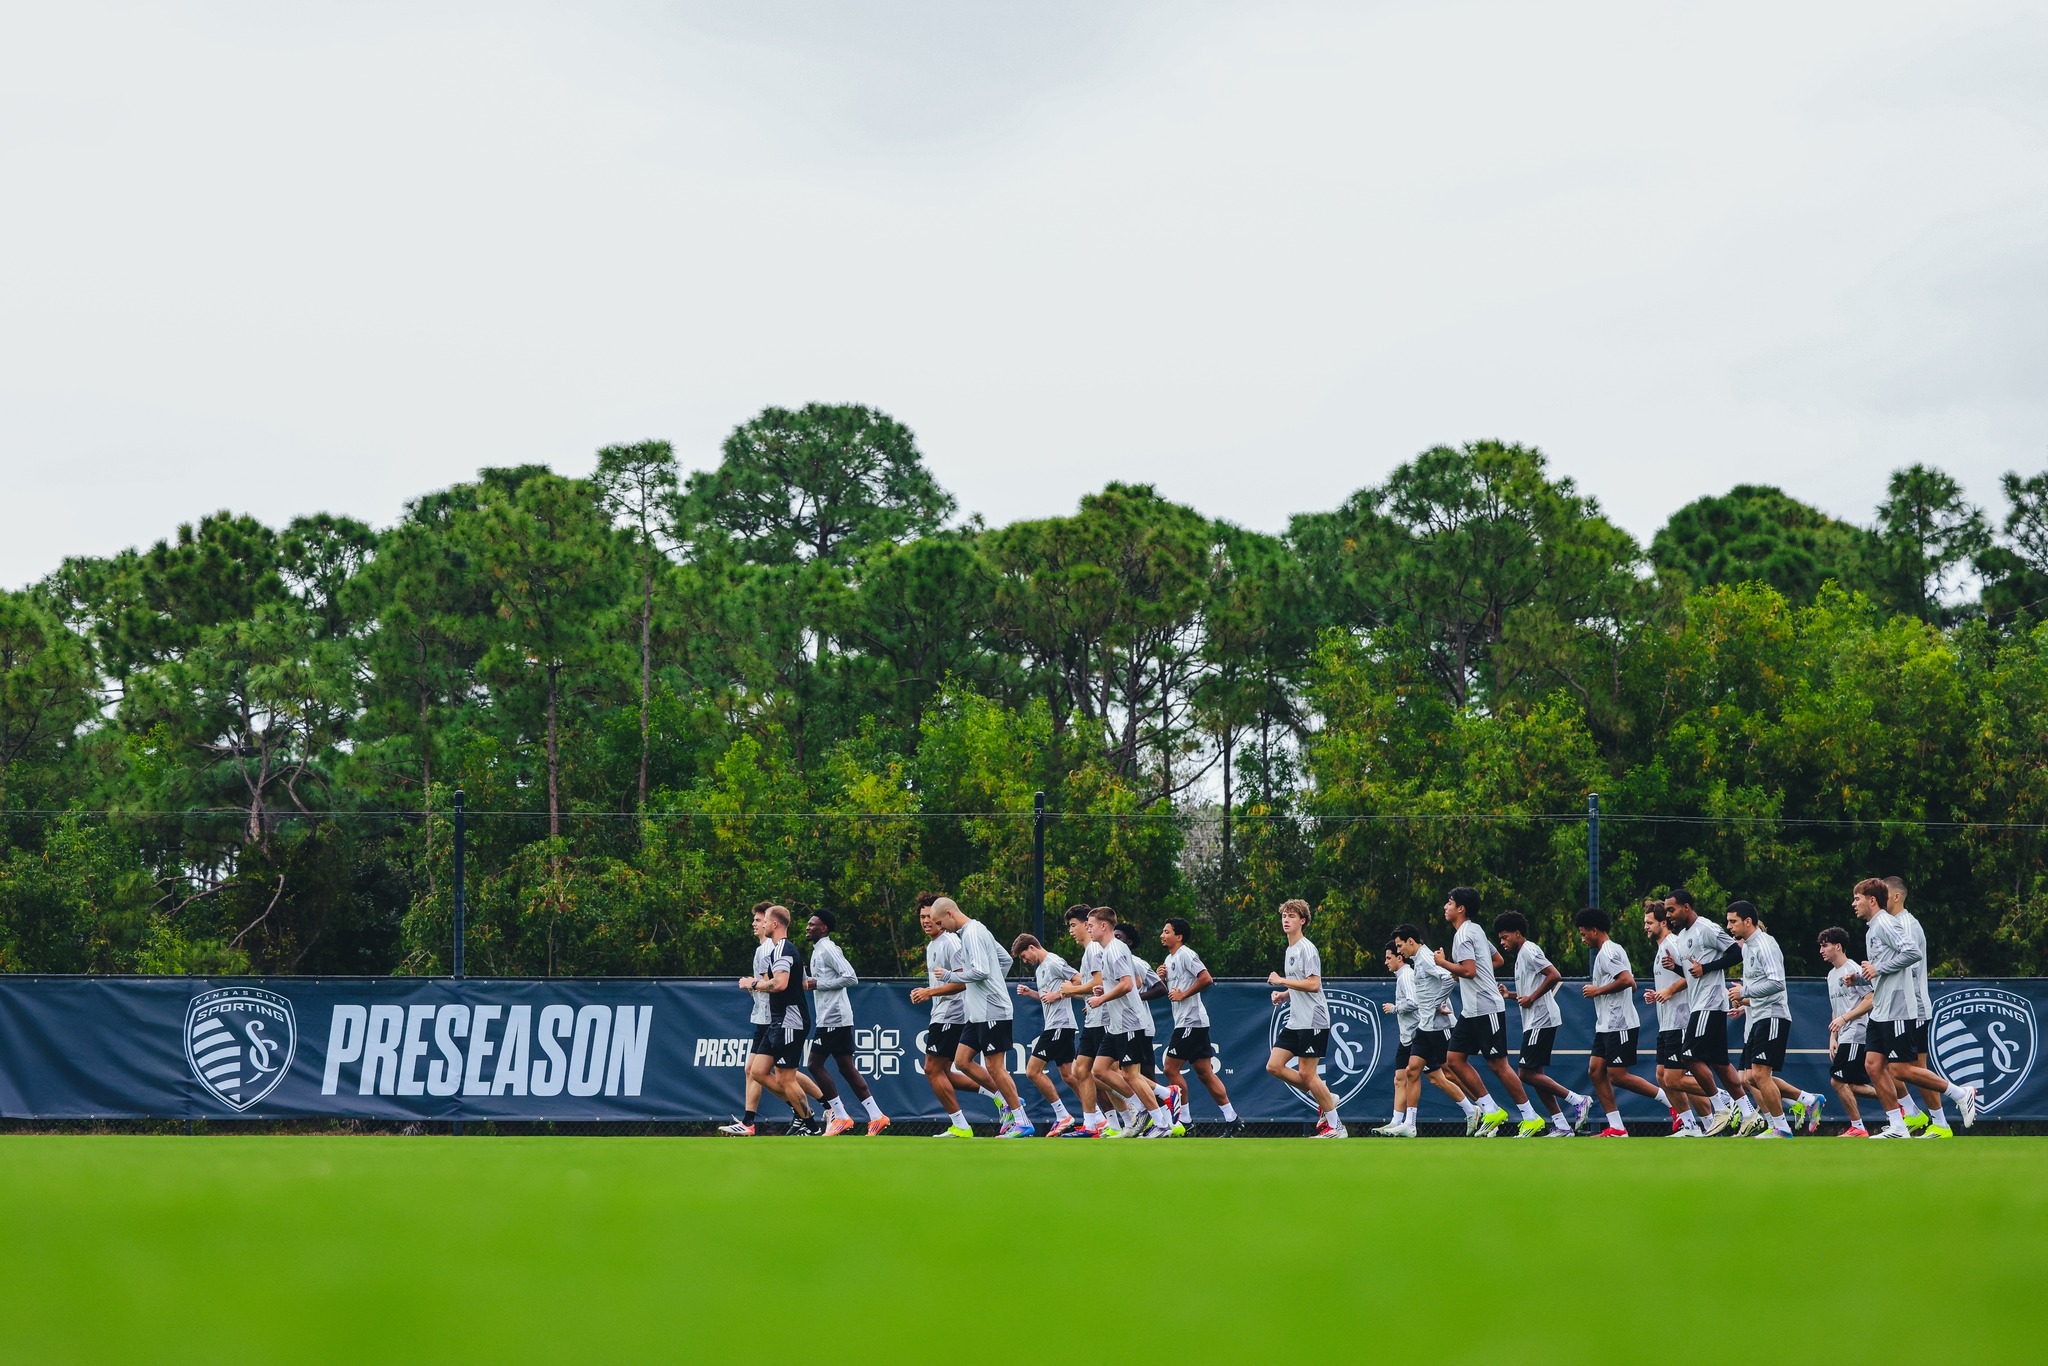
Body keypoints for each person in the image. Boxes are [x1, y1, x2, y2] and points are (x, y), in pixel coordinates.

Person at [1853, 878, 1978, 1138]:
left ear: (1873, 900)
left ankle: (1959, 1093)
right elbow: (1885, 966)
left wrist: (1878, 969)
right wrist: (1864, 975)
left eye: (1857, 898)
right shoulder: (1874, 927)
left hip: (1901, 1007)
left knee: (1901, 1069)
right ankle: (1899, 1125)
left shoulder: (1891, 922)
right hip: (1882, 1007)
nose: (1853, 904)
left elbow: (1911, 953)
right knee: (1874, 1065)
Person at [1435, 887, 1538, 1137]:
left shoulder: (1463, 936)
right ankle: (1491, 1109)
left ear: (1461, 908)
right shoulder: (1476, 929)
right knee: (1454, 1059)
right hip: (1471, 1010)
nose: (1445, 907)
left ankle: (1531, 1117)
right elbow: (1496, 961)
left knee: (1498, 1065)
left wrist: (1444, 963)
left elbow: (1469, 970)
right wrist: (1463, 972)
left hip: (1486, 1007)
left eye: (1449, 902)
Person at [932, 895, 1033, 1137]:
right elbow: (1004, 960)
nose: (940, 928)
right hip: (978, 1011)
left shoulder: (973, 932)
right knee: (962, 1061)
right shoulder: (971, 932)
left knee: (995, 1068)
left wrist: (949, 976)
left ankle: (1022, 1121)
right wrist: (994, 982)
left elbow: (980, 971)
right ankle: (1008, 1102)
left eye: (939, 922)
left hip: (992, 1009)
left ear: (949, 914)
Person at [1494, 911, 1593, 1135]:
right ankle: (1561, 1125)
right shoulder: (1521, 956)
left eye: (1505, 937)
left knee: (1526, 1074)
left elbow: (1554, 974)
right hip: (1533, 1021)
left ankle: (1577, 1100)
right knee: (1536, 1076)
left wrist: (1532, 998)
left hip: (1542, 1019)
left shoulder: (1529, 950)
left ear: (1518, 934)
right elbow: (1528, 991)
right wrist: (1511, 995)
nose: (1502, 943)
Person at [1660, 888, 1747, 1136]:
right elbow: (1693, 974)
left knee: (1688, 1056)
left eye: (1671, 909)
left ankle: (1720, 1108)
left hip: (1709, 1004)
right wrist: (1677, 967)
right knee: (1720, 1063)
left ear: (1686, 907)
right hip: (1701, 1002)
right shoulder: (1683, 936)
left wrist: (1706, 967)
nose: (1669, 916)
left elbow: (1735, 952)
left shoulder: (1706, 928)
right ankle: (1749, 1112)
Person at [1085, 908, 1176, 1138]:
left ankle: (1161, 1123)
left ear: (1104, 926)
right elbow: (1123, 983)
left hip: (1129, 1022)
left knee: (1131, 1074)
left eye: (1091, 924)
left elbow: (1128, 984)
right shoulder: (1108, 951)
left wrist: (1101, 998)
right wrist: (1103, 989)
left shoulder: (1115, 949)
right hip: (1117, 1024)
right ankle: (1152, 1104)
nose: (1089, 929)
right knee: (1099, 1070)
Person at [1576, 906, 1662, 1137]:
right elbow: (1629, 982)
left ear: (1595, 931)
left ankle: (1670, 1101)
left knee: (1618, 1076)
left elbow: (1626, 980)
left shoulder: (1609, 952)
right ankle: (1617, 1127)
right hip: (1605, 1025)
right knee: (1595, 1070)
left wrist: (1597, 991)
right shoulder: (1605, 952)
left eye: (1584, 934)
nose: (1583, 939)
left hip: (1620, 1024)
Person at [802, 911, 890, 1136]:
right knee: (846, 1068)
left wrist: (817, 983)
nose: (807, 927)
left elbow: (851, 977)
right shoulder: (818, 950)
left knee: (814, 1064)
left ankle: (840, 1116)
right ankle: (876, 1116)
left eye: (813, 924)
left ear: (824, 928)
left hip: (835, 1018)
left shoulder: (829, 949)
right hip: (831, 1017)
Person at [1266, 899, 1346, 1138]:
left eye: (1292, 916)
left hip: (1314, 1020)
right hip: (1296, 1021)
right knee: (1274, 1066)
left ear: (1303, 921)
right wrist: (1284, 994)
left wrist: (1281, 981)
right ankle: (1325, 1096)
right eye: (1284, 916)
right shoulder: (1290, 949)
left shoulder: (1306, 948)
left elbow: (1314, 984)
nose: (1286, 920)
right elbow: (1301, 983)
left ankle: (1336, 1127)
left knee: (1308, 1075)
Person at [910, 897, 989, 1138]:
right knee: (943, 1073)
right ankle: (1000, 1095)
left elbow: (963, 981)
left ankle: (962, 1126)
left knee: (931, 1069)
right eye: (922, 917)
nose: (926, 922)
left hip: (952, 1015)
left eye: (930, 917)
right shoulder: (932, 944)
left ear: (942, 918)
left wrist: (930, 991)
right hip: (942, 1013)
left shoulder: (950, 942)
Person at [745, 905, 823, 1136]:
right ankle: (810, 1117)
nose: (762, 924)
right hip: (778, 1021)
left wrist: (753, 983)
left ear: (775, 924)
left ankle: (813, 1125)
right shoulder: (780, 950)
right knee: (757, 1071)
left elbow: (779, 984)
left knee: (786, 1078)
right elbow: (799, 983)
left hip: (789, 1021)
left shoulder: (782, 949)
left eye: (765, 920)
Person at [1160, 917, 1241, 1136]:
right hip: (1189, 1022)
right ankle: (1232, 1118)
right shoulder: (1169, 959)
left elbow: (1206, 978)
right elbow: (1171, 991)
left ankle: (1185, 1121)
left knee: (1170, 1068)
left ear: (1179, 936)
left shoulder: (1187, 954)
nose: (1162, 935)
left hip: (1191, 1022)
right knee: (1205, 1072)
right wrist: (1162, 978)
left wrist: (1184, 994)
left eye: (1166, 931)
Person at [1884, 877, 1953, 1137]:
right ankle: (1918, 1115)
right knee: (1888, 1064)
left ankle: (1940, 1121)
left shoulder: (1906, 925)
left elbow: (1909, 966)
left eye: (1884, 893)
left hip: (1913, 1007)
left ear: (1897, 897)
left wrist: (1877, 969)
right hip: (1899, 1007)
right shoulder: (1891, 924)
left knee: (1913, 1068)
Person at [1380, 932, 1465, 1136]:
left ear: (1409, 943)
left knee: (1448, 1073)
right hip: (1417, 1032)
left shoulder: (1414, 968)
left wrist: (1395, 1008)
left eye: (1396, 950)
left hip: (1428, 1029)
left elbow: (1444, 981)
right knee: (1406, 1075)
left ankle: (1480, 1108)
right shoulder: (1416, 964)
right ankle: (1402, 1122)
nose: (1387, 960)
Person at [1724, 902, 1794, 1138]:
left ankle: (1782, 1128)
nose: (1728, 926)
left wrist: (1744, 992)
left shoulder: (1765, 943)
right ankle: (1784, 1120)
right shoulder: (1747, 948)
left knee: (1761, 1075)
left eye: (1733, 921)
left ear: (1748, 921)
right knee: (1752, 1076)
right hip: (1759, 1016)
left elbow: (1777, 983)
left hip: (1773, 1014)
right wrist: (1743, 999)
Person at [1641, 899, 1711, 1136]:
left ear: (1663, 922)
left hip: (1681, 1020)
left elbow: (1692, 975)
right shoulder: (1662, 948)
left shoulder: (1673, 943)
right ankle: (1692, 1125)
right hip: (1666, 1022)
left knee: (1675, 1078)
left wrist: (1670, 991)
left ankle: (1726, 1101)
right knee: (1663, 1076)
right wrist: (1658, 993)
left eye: (1649, 922)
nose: (1646, 927)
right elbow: (1670, 981)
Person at [1014, 932, 1082, 1136]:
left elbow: (1080, 980)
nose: (1025, 961)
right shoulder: (1041, 969)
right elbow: (1048, 998)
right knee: (1069, 1075)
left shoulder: (1053, 961)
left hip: (1059, 1026)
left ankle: (1063, 1116)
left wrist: (1060, 994)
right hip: (1059, 1025)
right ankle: (1097, 1117)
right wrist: (1031, 993)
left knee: (1032, 1071)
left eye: (1025, 956)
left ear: (1032, 947)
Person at [718, 903, 778, 1136]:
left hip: (773, 1020)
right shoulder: (762, 949)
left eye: (757, 919)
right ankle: (748, 1122)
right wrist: (755, 985)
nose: (753, 923)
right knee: (752, 1070)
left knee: (784, 1073)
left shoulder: (767, 949)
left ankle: (820, 1108)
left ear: (768, 922)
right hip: (763, 1018)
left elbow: (775, 984)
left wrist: (752, 984)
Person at [1057, 905, 1112, 1136]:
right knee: (1082, 1070)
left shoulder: (1094, 950)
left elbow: (1098, 984)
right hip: (1093, 1019)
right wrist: (1076, 992)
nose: (1071, 931)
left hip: (1104, 1019)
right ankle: (1094, 1125)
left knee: (1114, 1074)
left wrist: (1071, 990)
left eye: (1073, 925)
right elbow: (1091, 991)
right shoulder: (1089, 951)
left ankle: (1148, 1105)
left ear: (1087, 926)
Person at [1820, 927, 1877, 1137]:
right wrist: (1832, 1037)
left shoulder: (1853, 970)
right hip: (1843, 1035)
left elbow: (1870, 1000)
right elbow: (1836, 1009)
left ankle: (1858, 1127)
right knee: (1851, 1085)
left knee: (1838, 1080)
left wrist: (1846, 1018)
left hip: (1856, 1032)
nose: (1821, 950)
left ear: (1838, 946)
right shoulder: (1830, 975)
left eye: (1825, 945)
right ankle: (1895, 1101)